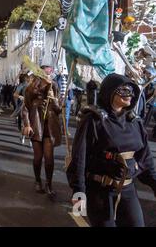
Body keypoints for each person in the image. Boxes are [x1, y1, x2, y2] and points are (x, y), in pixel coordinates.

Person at [67, 73, 156, 227]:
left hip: (127, 190)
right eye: (123, 90)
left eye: (131, 91)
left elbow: (146, 159)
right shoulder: (93, 120)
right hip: (100, 192)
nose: (129, 95)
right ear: (110, 92)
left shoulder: (135, 123)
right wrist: (78, 191)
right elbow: (79, 158)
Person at [22, 69, 62, 199]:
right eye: (46, 73)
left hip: (50, 128)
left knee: (49, 159)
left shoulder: (55, 87)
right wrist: (27, 125)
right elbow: (25, 108)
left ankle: (49, 185)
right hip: (36, 126)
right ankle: (38, 180)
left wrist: (53, 99)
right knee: (38, 157)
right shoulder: (31, 89)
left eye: (50, 74)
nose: (48, 76)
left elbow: (58, 109)